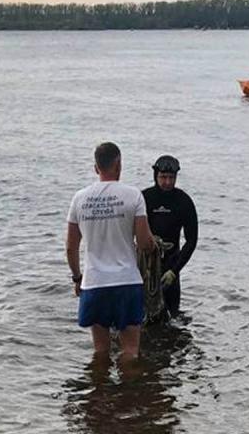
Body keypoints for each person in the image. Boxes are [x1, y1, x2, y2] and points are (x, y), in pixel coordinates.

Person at [66, 142, 155, 361]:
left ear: (96, 168)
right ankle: (128, 393)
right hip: (127, 281)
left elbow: (71, 246)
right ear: (119, 165)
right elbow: (144, 243)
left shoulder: (79, 198)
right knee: (130, 351)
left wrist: (77, 277)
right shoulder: (133, 196)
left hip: (94, 282)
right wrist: (153, 244)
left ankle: (99, 392)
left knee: (100, 351)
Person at [142, 155, 198, 316]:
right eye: (163, 177)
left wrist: (174, 270)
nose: (167, 182)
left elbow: (191, 240)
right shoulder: (145, 198)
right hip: (145, 267)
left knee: (173, 318)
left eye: (171, 178)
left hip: (171, 268)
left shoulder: (183, 201)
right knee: (142, 318)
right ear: (155, 176)